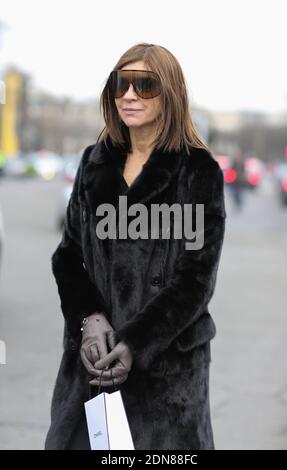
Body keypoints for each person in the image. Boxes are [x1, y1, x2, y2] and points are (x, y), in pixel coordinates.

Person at [45, 43, 226, 450]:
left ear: (171, 95)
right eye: (121, 83)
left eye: (145, 85)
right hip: (92, 365)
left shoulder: (197, 171)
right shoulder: (94, 162)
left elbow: (195, 281)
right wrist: (89, 319)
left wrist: (135, 343)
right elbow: (68, 255)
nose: (129, 94)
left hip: (166, 378)